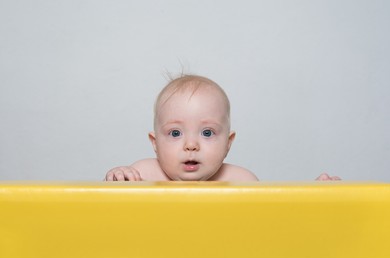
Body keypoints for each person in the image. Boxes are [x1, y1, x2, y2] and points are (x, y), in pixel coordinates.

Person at [104, 74, 340, 181]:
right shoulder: (143, 174)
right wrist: (116, 178)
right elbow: (109, 218)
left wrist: (316, 196)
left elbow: (272, 225)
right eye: (175, 133)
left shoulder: (240, 180)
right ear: (155, 144)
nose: (191, 145)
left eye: (207, 133)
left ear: (228, 143)